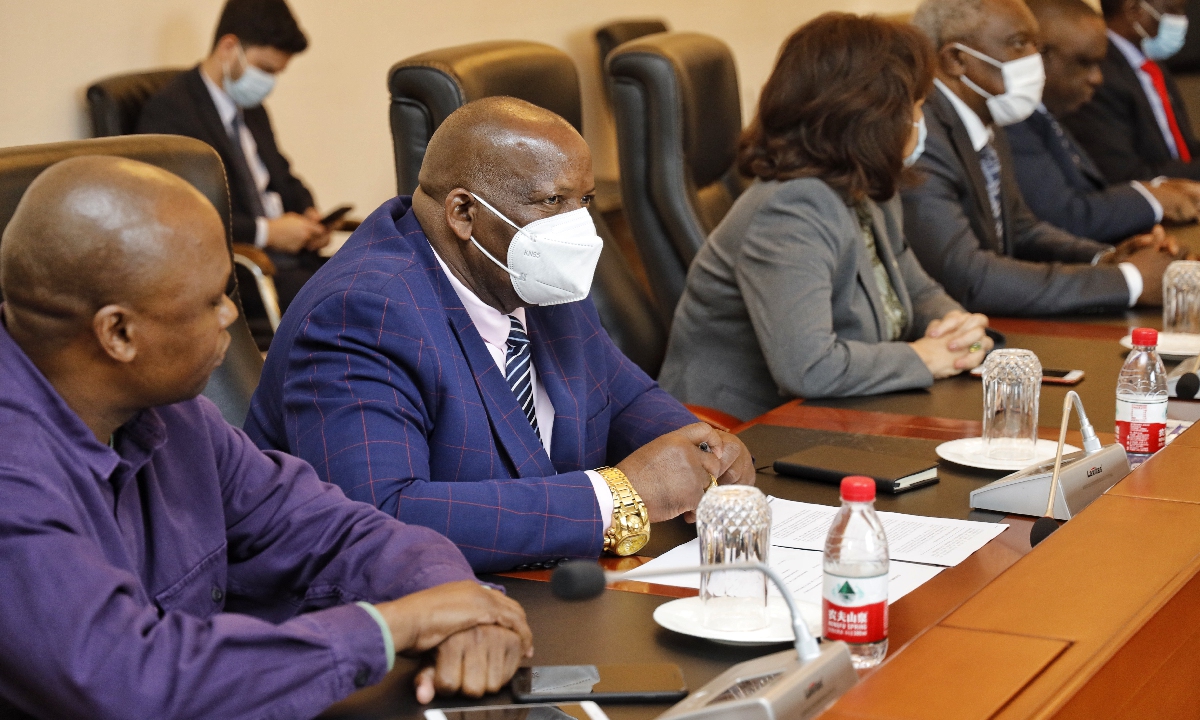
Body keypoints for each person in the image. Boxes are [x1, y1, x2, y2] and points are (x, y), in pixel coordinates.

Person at [0, 156, 532, 719]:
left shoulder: (175, 415)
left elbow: (332, 529)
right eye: (212, 301)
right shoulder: (14, 477)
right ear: (119, 332)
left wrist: (461, 605)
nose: (231, 315)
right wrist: (390, 626)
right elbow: (131, 681)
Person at [246, 97, 755, 574]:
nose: (579, 229)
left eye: (585, 200)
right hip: (404, 613)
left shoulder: (533, 276)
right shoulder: (360, 313)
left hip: (553, 588)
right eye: (552, 200)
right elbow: (379, 519)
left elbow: (620, 398)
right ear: (463, 213)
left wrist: (702, 450)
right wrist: (618, 497)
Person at [658, 15, 992, 421]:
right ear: (872, 116)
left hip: (834, 413)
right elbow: (809, 367)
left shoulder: (867, 189)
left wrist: (956, 329)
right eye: (917, 107)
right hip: (735, 432)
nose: (921, 122)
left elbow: (917, 291)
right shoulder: (791, 210)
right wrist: (924, 357)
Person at [904, 0, 1180, 315]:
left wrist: (1105, 257)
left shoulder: (987, 116)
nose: (1034, 59)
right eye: (1019, 43)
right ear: (956, 59)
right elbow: (968, 278)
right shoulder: (921, 136)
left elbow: (1021, 229)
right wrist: (1130, 281)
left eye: (1036, 46)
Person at [138, 0, 330, 310]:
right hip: (240, 270)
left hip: (290, 261)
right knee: (347, 297)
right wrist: (267, 233)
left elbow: (283, 176)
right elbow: (185, 216)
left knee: (374, 275)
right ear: (229, 47)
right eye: (265, 69)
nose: (269, 83)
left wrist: (310, 214)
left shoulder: (252, 110)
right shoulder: (171, 113)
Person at [1007, 0, 1200, 242]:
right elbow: (1065, 216)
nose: (1097, 78)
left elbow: (1091, 193)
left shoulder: (1047, 115)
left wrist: (1109, 256)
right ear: (1038, 54)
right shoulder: (1015, 123)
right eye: (1084, 63)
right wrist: (1153, 198)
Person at [1061, 0, 1200, 182]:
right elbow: (1127, 175)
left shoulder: (1150, 63)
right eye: (1173, 10)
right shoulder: (1099, 75)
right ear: (1134, 10)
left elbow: (1182, 148)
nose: (1182, 20)